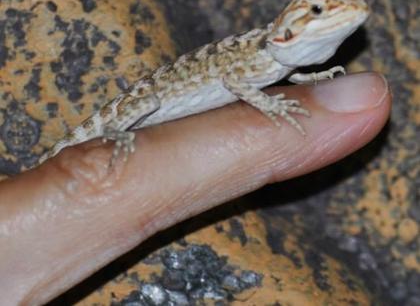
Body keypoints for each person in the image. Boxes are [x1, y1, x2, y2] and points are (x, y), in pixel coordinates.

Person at [0, 73, 391, 304]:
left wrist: (302, 79)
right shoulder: (251, 56)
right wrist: (271, 107)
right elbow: (237, 80)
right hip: (133, 111)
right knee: (97, 168)